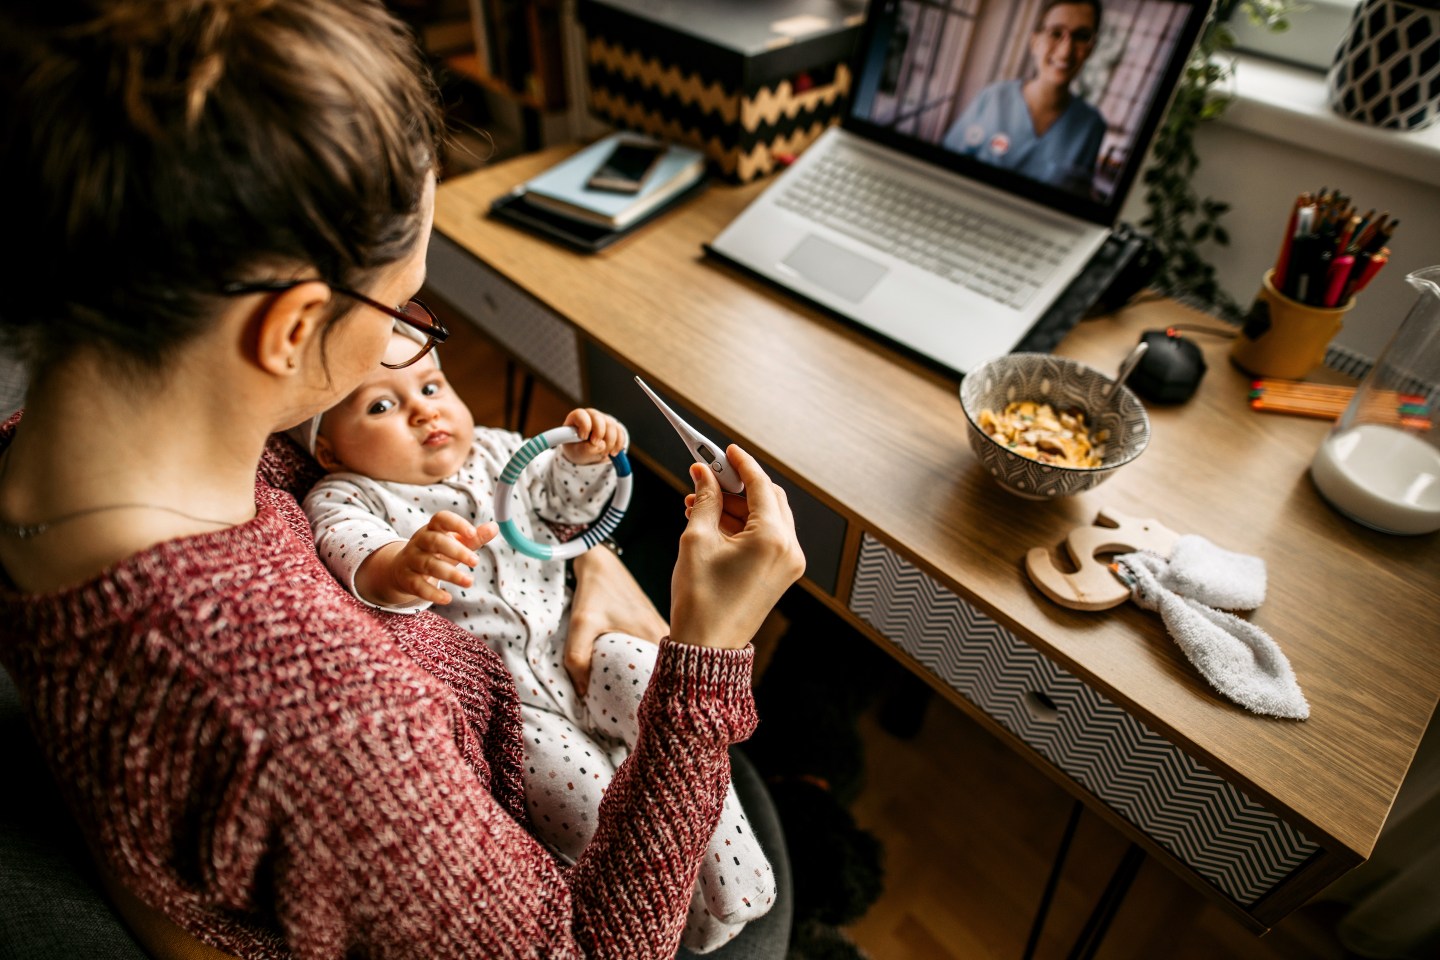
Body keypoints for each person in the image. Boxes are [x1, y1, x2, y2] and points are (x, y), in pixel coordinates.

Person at [0, 1, 805, 958]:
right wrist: (707, 653)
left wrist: (585, 564)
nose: (412, 341)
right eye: (400, 307)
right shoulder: (333, 731)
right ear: (292, 328)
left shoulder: (50, 443)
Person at [299, 329, 775, 951]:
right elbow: (354, 552)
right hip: (511, 704)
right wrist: (402, 565)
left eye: (431, 385)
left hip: (574, 648)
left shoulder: (501, 451)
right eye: (381, 406)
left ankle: (735, 871)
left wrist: (584, 460)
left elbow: (567, 509)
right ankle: (683, 909)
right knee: (586, 798)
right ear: (329, 450)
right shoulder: (346, 494)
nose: (423, 409)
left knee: (643, 668)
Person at [941, 0, 1106, 194]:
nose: (1066, 50)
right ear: (1034, 42)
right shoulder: (992, 98)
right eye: (1055, 33)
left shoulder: (1092, 127)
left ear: (1091, 48)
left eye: (1081, 36)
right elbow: (943, 173)